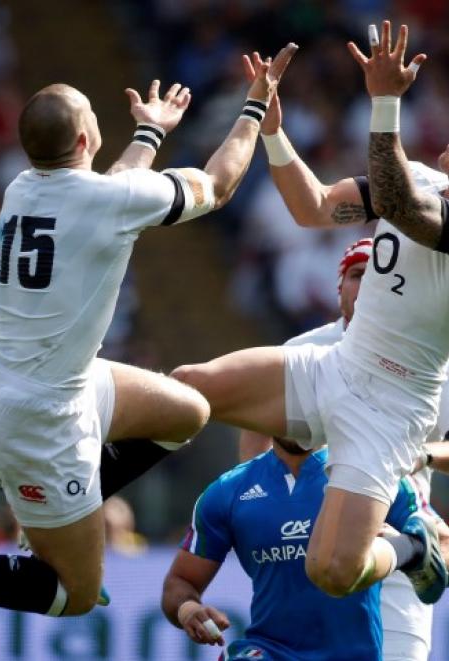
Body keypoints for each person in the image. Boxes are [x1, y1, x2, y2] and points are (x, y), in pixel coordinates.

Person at [0, 44, 298, 618]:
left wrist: (148, 134)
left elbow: (112, 189)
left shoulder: (22, 189)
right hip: (40, 416)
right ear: (88, 141)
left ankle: (75, 503)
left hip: (39, 378)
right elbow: (216, 186)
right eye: (94, 118)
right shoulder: (104, 199)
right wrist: (252, 108)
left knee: (186, 411)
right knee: (76, 595)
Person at [171, 21, 449, 606]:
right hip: (338, 366)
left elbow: (401, 203)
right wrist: (274, 134)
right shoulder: (422, 177)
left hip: (392, 405)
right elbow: (313, 207)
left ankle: (412, 548)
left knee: (331, 570)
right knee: (185, 391)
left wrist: (383, 102)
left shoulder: (418, 195)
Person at [240, 237, 445, 661]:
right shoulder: (300, 352)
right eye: (357, 274)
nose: (369, 284)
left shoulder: (435, 358)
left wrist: (422, 454)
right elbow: (254, 434)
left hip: (397, 547)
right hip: (303, 546)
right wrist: (268, 510)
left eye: (381, 276)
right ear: (339, 289)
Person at [162, 436, 442, 661]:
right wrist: (187, 609)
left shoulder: (371, 478)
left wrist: (400, 548)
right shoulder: (228, 491)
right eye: (286, 403)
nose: (296, 415)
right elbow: (181, 582)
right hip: (269, 650)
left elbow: (441, 542)